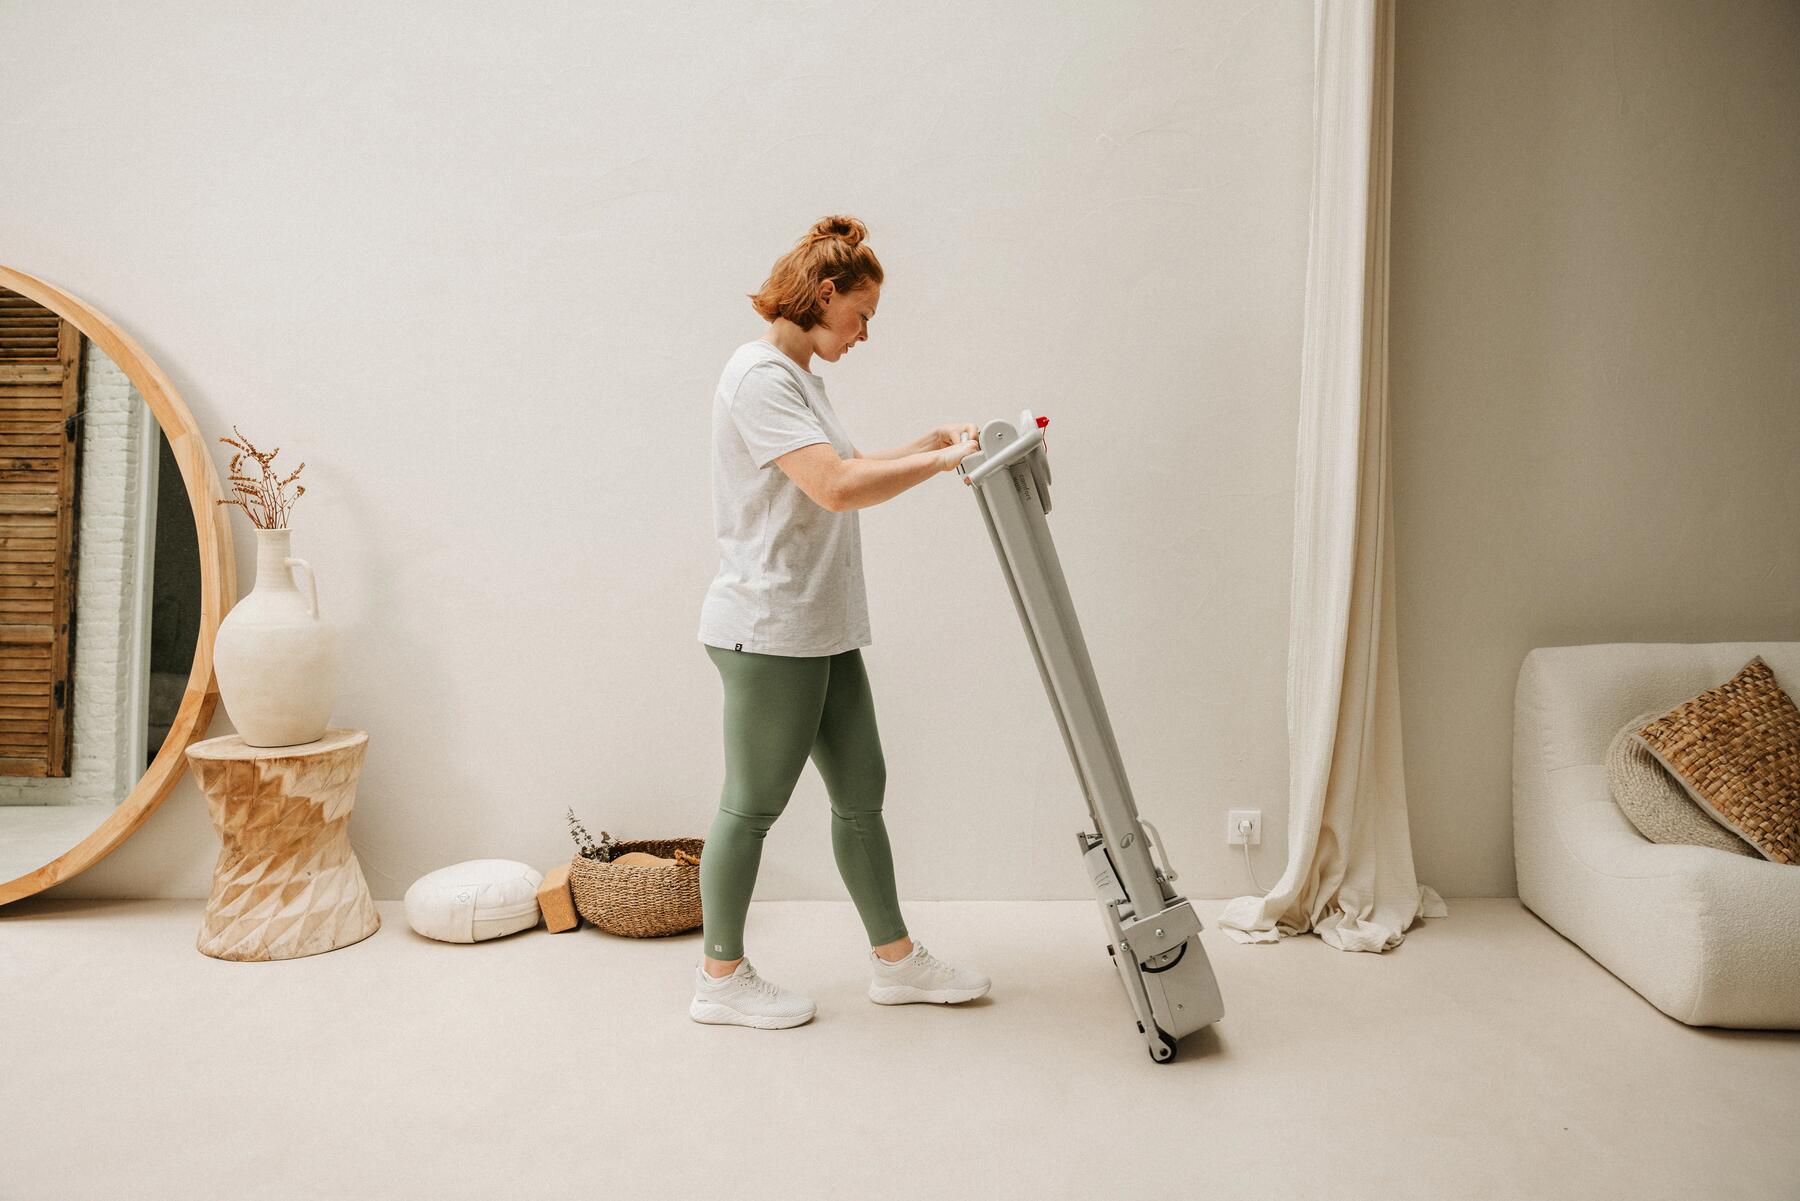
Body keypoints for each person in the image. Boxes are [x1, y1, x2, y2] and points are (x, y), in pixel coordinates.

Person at [691, 214, 992, 1030]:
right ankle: (720, 976)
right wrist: (936, 464)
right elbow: (834, 487)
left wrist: (923, 445)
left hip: (819, 625)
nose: (864, 334)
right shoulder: (759, 377)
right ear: (825, 295)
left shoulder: (798, 377)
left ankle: (895, 962)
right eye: (861, 315)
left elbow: (841, 470)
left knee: (862, 791)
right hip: (771, 626)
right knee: (751, 805)